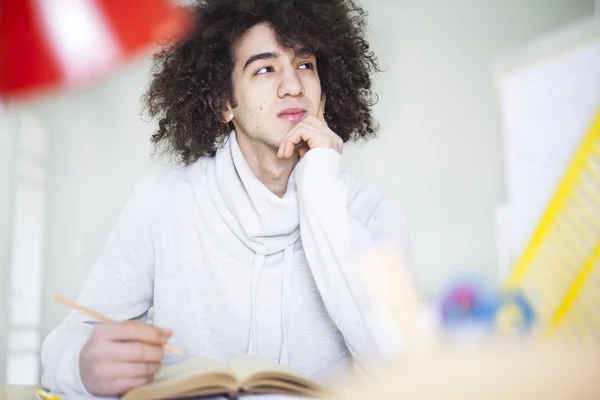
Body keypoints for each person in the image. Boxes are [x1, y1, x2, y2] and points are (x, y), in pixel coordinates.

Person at [41, 0, 413, 396]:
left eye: (306, 65)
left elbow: (398, 367)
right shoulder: (163, 203)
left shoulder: (373, 213)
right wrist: (83, 366)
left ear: (324, 96)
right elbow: (69, 342)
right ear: (223, 104)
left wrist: (321, 186)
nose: (293, 86)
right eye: (265, 69)